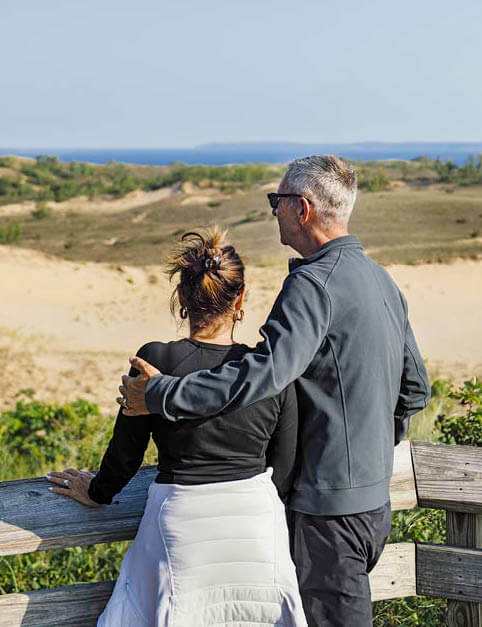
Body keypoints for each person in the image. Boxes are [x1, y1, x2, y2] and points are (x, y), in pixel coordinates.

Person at [121, 155, 431, 626]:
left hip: (327, 512)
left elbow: (263, 373)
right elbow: (414, 390)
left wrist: (164, 394)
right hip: (373, 505)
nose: (274, 211)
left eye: (277, 201)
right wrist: (366, 456)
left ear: (302, 208)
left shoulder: (312, 284)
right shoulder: (380, 279)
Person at [47, 228, 307, 626]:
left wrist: (97, 491)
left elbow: (125, 454)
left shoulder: (155, 361)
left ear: (182, 298)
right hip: (256, 526)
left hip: (182, 524)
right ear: (240, 298)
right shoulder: (268, 371)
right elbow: (284, 465)